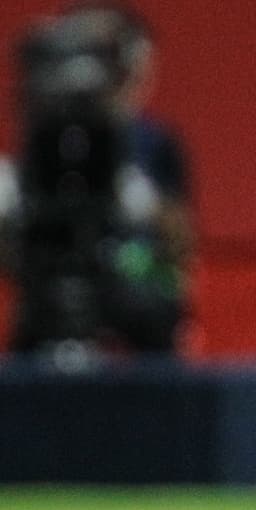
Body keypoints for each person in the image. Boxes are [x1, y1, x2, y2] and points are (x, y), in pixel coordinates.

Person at [2, 2, 194, 356]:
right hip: (45, 293)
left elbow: (178, 244)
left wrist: (145, 215)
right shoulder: (40, 140)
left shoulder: (154, 142)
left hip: (130, 294)